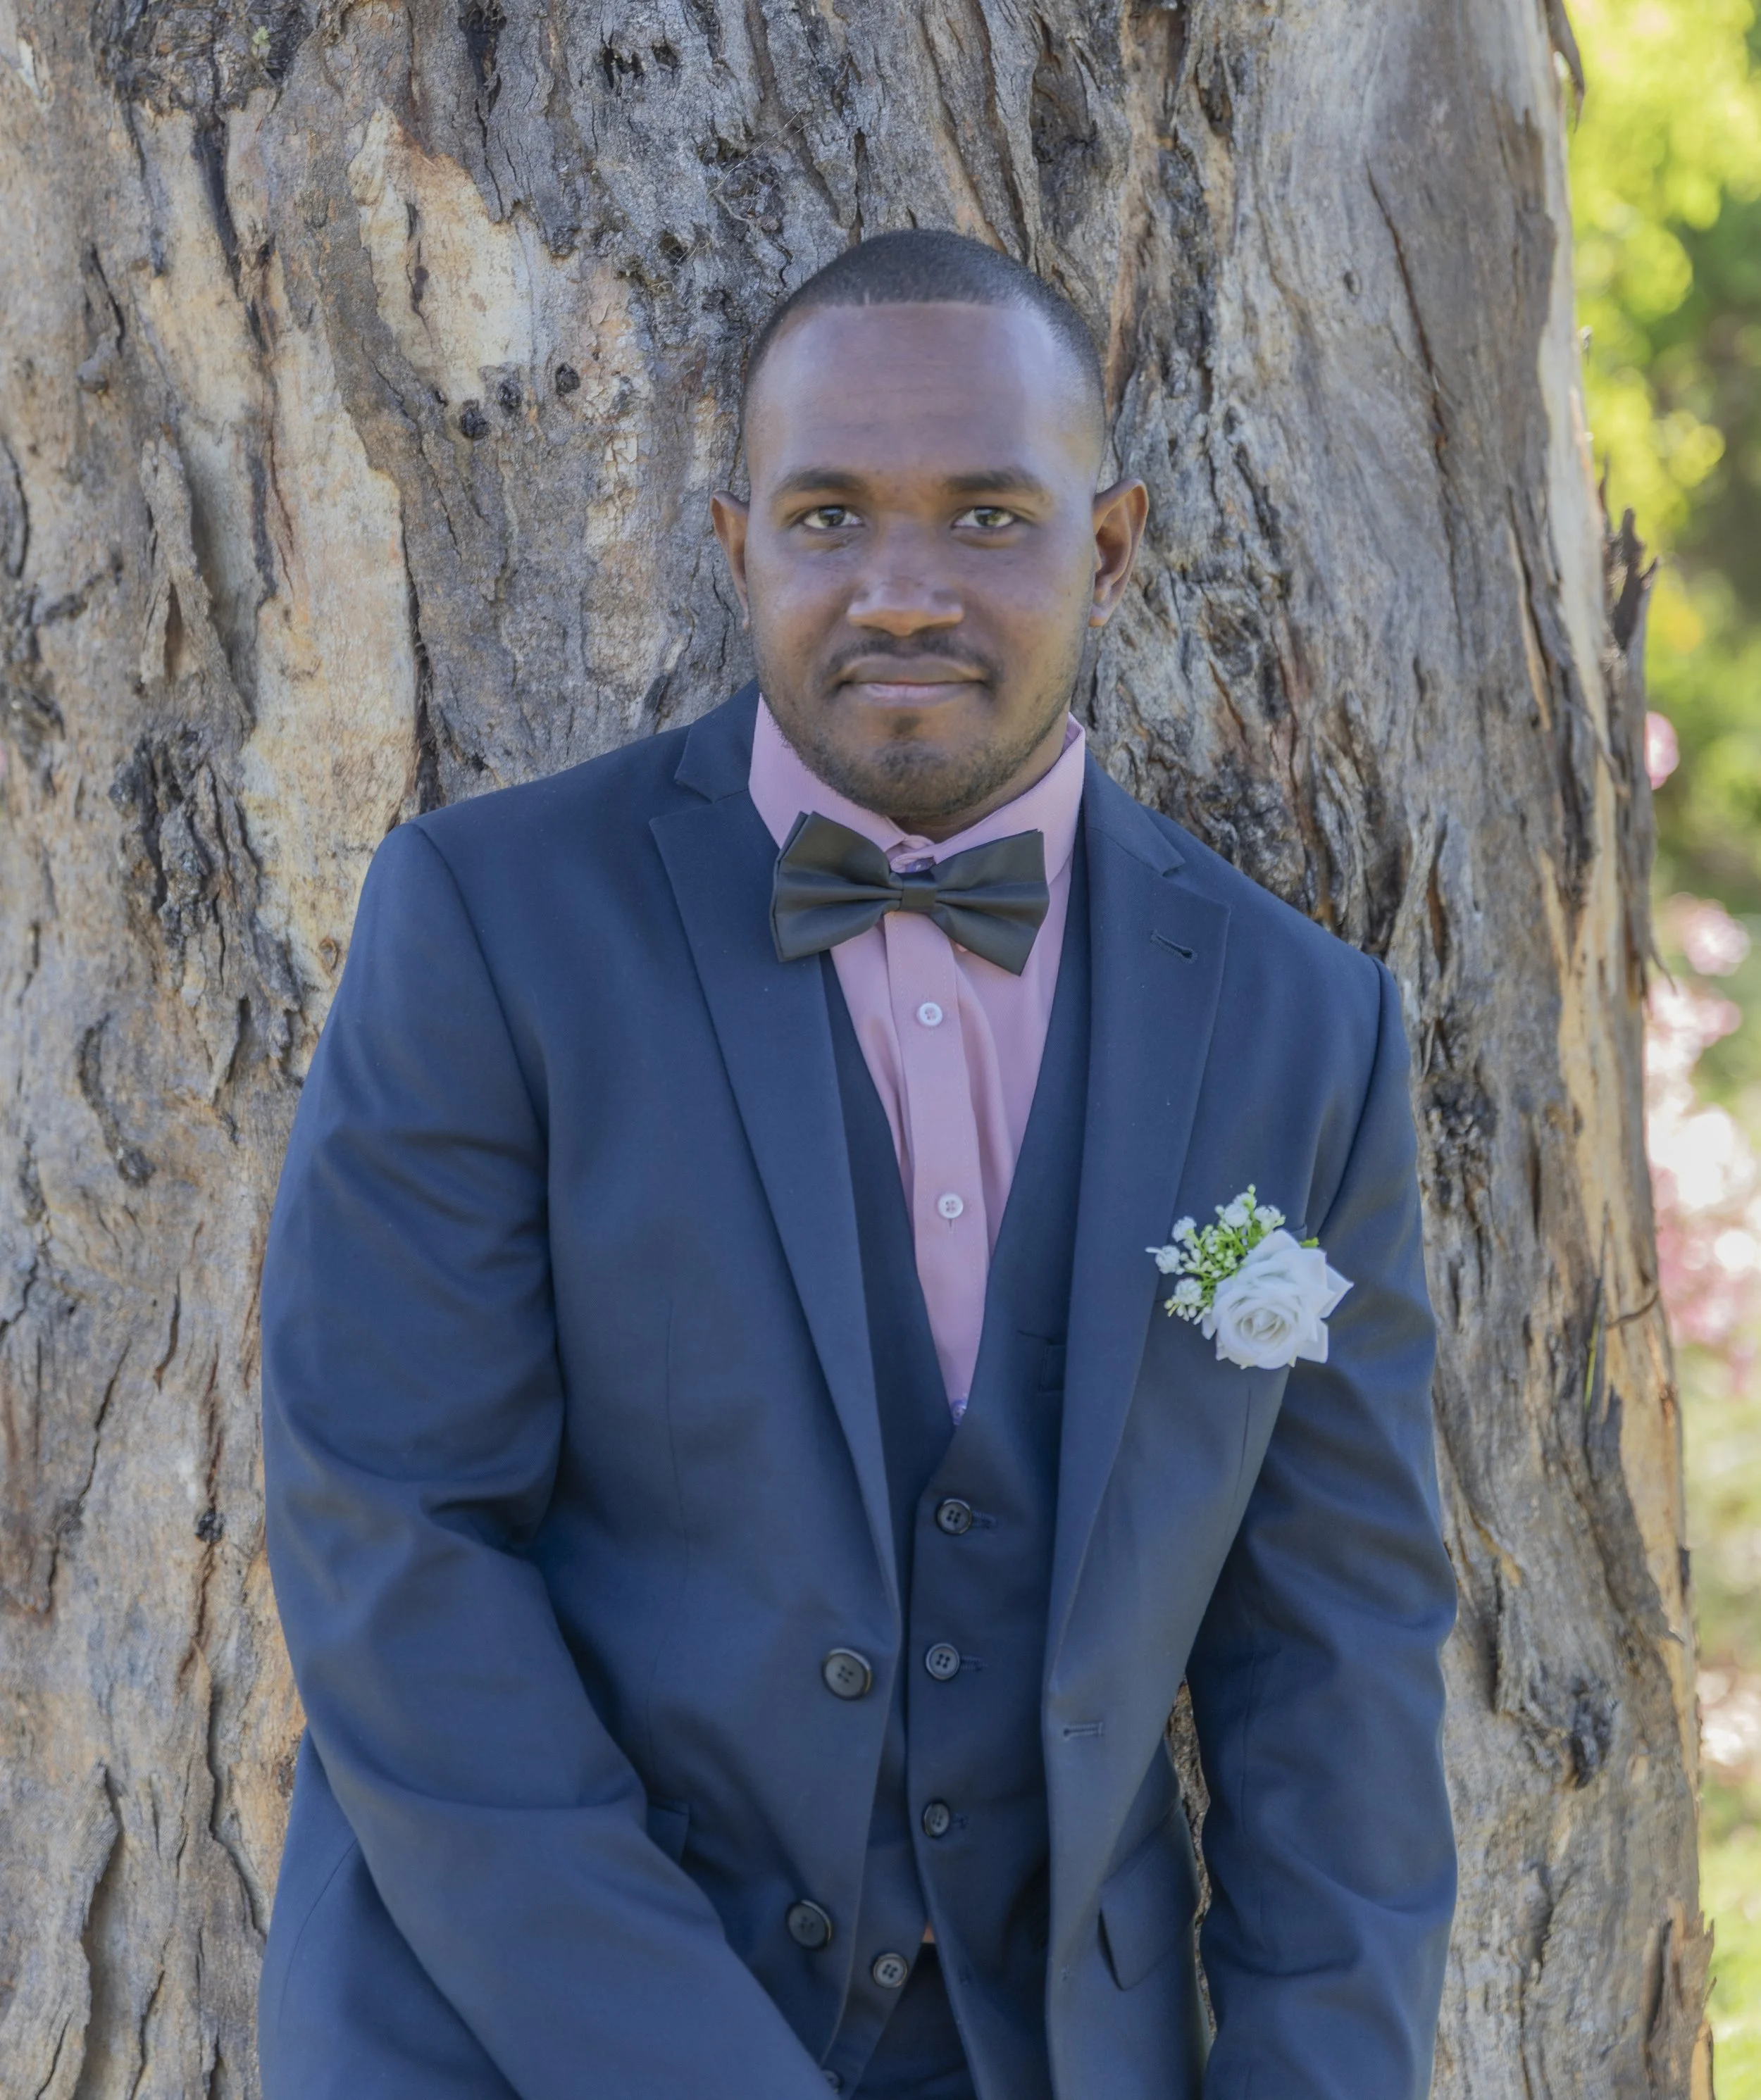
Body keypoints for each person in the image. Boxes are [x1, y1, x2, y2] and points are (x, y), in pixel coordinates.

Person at [257, 229, 1457, 2100]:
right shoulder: (492, 927)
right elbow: (395, 1550)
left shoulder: (1301, 1027)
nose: (897, 589)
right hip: (528, 2039)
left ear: (1110, 544)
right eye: (828, 516)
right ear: (739, 545)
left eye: (986, 517)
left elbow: (1334, 1654)